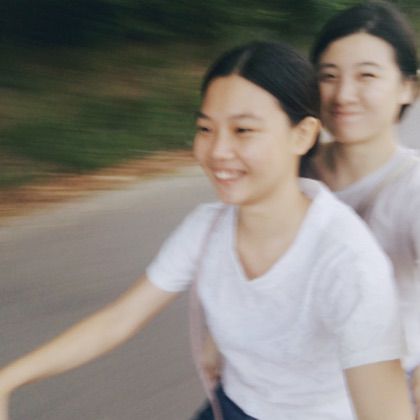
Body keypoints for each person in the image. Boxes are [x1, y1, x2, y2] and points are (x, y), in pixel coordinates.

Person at [0, 41, 414, 420]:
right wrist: (9, 379)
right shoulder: (208, 226)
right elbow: (120, 319)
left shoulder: (348, 262)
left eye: (243, 130)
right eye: (205, 128)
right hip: (230, 407)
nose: (217, 151)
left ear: (302, 135)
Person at [304, 0, 420, 418]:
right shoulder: (288, 168)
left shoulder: (413, 188)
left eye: (367, 75)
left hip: (378, 394)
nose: (343, 95)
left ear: (409, 88)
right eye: (328, 76)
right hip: (280, 384)